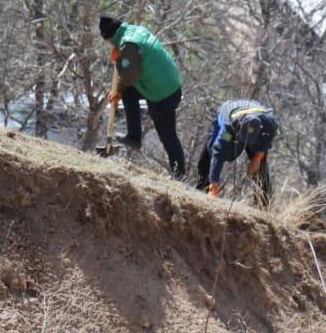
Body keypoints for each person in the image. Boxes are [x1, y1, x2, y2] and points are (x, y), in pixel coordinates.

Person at [98, 14, 187, 178]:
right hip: (168, 82)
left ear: (109, 37)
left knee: (167, 134)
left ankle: (179, 175)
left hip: (163, 93)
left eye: (108, 42)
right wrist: (120, 88)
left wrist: (117, 85)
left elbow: (130, 76)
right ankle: (134, 136)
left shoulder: (128, 45)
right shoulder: (136, 30)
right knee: (128, 94)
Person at [197, 99, 278, 203]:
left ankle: (264, 204)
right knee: (207, 157)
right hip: (225, 113)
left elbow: (270, 135)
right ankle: (204, 192)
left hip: (255, 111)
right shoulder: (228, 129)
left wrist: (258, 157)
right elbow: (218, 154)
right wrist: (214, 184)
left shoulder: (268, 123)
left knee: (260, 167)